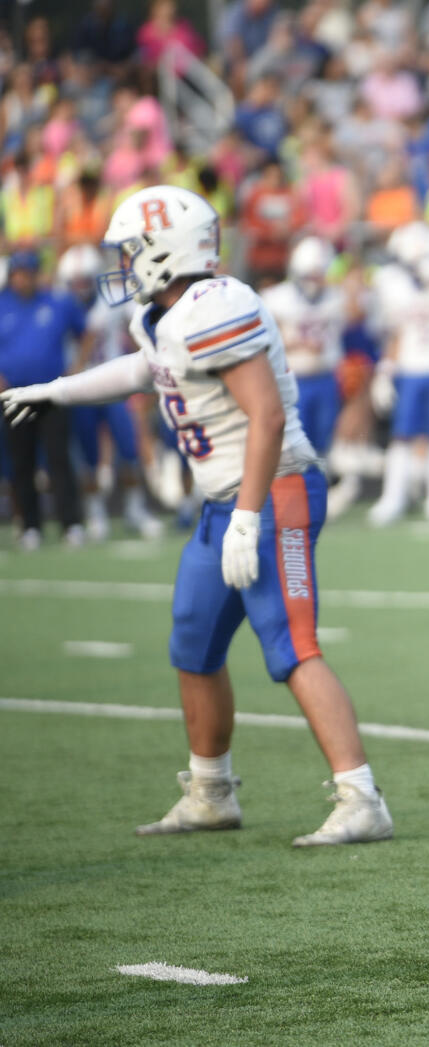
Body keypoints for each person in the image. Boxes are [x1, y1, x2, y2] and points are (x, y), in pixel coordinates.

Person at [0, 186, 393, 847]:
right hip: (227, 499)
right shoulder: (168, 314)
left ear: (164, 252)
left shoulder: (216, 307)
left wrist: (246, 517)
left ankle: (361, 796)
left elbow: (265, 414)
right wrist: (57, 392)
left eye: (130, 252)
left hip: (275, 491)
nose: (122, 265)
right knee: (193, 639)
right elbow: (150, 368)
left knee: (291, 643)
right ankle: (210, 791)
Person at [55, 244, 162, 541]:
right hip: (81, 386)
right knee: (88, 456)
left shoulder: (110, 299)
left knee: (129, 449)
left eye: (85, 281)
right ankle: (95, 511)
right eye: (76, 282)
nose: (81, 288)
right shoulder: (59, 305)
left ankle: (134, 508)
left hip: (114, 383)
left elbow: (139, 323)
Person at [368, 220, 429, 526]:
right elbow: (394, 330)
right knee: (402, 435)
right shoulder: (391, 281)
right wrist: (385, 370)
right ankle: (393, 497)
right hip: (410, 368)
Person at [0, 249, 86, 551]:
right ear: (12, 275)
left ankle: (71, 523)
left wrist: (76, 369)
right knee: (21, 462)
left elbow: (86, 332)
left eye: (29, 272)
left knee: (59, 458)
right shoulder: (2, 304)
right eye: (19, 273)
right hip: (14, 395)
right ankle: (30, 525)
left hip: (51, 392)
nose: (24, 278)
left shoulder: (57, 302)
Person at [260, 237, 345, 459]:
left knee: (323, 443)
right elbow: (265, 341)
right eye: (310, 275)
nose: (315, 281)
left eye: (319, 275)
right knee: (292, 445)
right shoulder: (278, 298)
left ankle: (319, 487)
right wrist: (299, 344)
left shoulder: (336, 297)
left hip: (326, 376)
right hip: (293, 379)